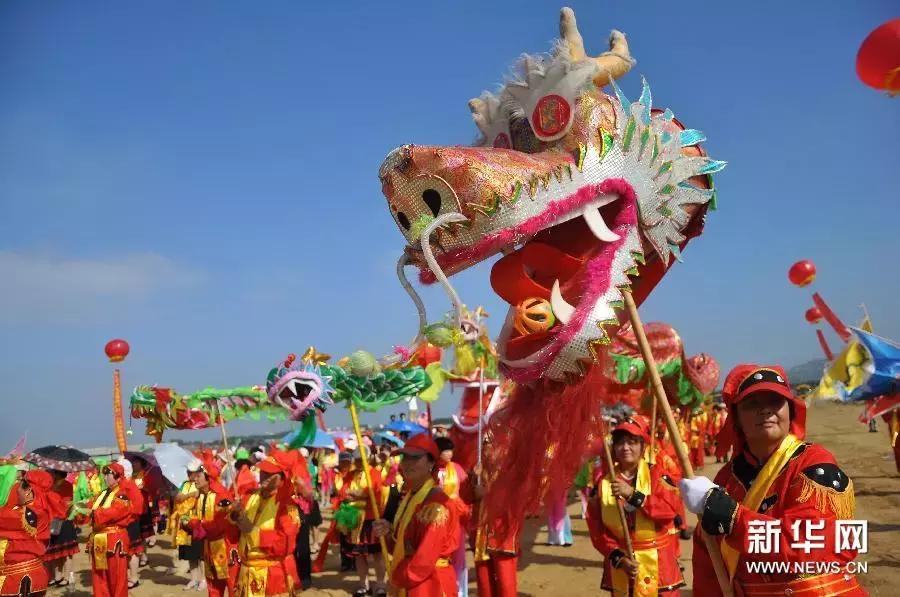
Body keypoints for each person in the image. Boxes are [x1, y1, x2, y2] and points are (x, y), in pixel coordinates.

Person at [681, 365, 867, 596]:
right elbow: (709, 561)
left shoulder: (813, 463)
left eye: (775, 401)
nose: (765, 410)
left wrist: (733, 519)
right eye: (752, 404)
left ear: (791, 411)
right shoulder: (727, 478)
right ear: (736, 418)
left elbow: (809, 544)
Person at [585, 416, 685, 596]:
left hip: (659, 564)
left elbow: (670, 512)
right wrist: (618, 557)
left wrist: (633, 495)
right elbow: (596, 527)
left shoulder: (657, 475)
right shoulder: (603, 484)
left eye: (632, 442)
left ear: (642, 447)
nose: (625, 448)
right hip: (623, 567)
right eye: (620, 443)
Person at [373, 433, 460, 597]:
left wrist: (397, 578)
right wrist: (388, 532)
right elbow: (402, 546)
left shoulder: (437, 504)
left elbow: (425, 558)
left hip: (431, 584)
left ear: (431, 462)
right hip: (413, 581)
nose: (407, 463)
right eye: (405, 457)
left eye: (415, 458)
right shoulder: (411, 497)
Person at [230, 448, 302, 597]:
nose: (265, 475)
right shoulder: (249, 496)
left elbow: (286, 544)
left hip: (272, 575)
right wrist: (234, 514)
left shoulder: (286, 506)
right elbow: (234, 525)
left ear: (282, 478)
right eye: (263, 471)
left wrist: (253, 531)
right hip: (247, 573)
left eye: (270, 473)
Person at [186, 456, 239, 597]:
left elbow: (224, 523)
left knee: (232, 586)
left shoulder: (221, 495)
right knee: (213, 587)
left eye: (198, 476)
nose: (195, 479)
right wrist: (191, 523)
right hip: (209, 547)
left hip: (224, 546)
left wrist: (200, 525)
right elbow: (195, 517)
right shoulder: (200, 496)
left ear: (208, 478)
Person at [87, 462, 142, 597]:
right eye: (104, 475)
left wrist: (94, 513)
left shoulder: (122, 494)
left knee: (116, 576)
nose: (105, 477)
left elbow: (115, 512)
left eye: (109, 474)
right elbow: (90, 506)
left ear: (117, 476)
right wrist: (80, 509)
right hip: (100, 538)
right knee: (101, 575)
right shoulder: (103, 494)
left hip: (114, 538)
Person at [338, 449, 386, 596]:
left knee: (377, 553)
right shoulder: (351, 474)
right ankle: (363, 584)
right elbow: (343, 492)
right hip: (355, 519)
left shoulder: (374, 473)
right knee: (359, 554)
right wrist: (357, 495)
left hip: (372, 518)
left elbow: (373, 492)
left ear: (368, 458)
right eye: (357, 460)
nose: (358, 462)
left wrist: (358, 494)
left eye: (361, 459)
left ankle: (380, 584)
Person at [0, 469, 53, 596]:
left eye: (19, 486)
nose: (16, 490)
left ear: (28, 490)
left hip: (20, 579)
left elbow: (5, 518)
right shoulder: (38, 510)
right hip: (23, 576)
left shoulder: (31, 513)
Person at [434, 436, 470, 595]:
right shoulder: (431, 470)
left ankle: (460, 591)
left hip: (456, 516)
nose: (449, 453)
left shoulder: (456, 468)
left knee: (458, 553)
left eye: (451, 450)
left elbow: (467, 488)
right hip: (437, 516)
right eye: (445, 450)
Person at [43, 469, 78, 588]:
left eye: (52, 472)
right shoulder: (50, 485)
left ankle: (67, 577)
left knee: (67, 552)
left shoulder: (66, 485)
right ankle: (57, 577)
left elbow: (67, 505)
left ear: (57, 473)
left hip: (64, 521)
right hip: (54, 521)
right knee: (56, 551)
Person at [171, 462, 203, 590]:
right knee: (190, 553)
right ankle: (194, 579)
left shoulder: (201, 485)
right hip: (184, 522)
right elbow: (178, 497)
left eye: (192, 472)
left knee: (200, 554)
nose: (190, 474)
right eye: (188, 472)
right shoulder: (185, 484)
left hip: (197, 522)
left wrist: (188, 496)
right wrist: (188, 495)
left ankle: (203, 579)